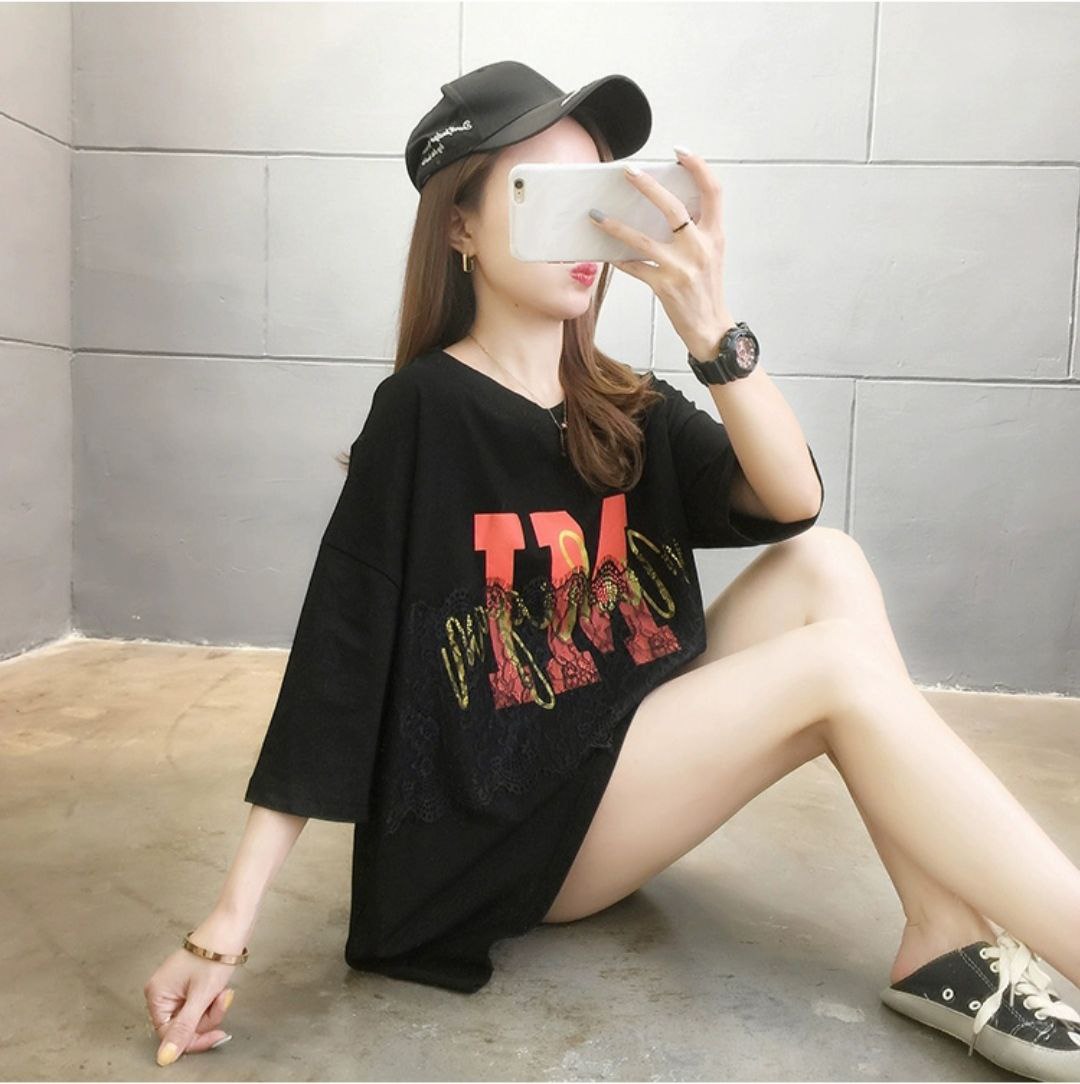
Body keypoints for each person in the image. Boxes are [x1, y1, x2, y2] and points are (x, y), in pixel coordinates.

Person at [143, 60, 1080, 1079]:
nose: (582, 228)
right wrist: (223, 928)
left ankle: (941, 935)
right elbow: (339, 661)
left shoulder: (621, 401)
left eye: (598, 193)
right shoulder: (425, 411)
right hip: (516, 828)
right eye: (540, 193)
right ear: (459, 227)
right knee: (837, 671)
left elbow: (792, 500)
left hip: (618, 745)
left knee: (829, 565)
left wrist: (710, 328)